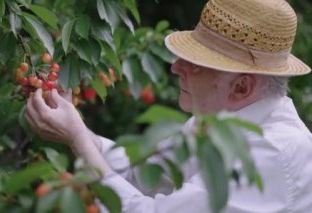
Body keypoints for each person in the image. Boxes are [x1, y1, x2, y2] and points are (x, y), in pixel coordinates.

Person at [25, 0, 312, 212]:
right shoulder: (218, 123)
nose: (175, 67)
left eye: (196, 64)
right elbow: (141, 174)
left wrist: (76, 137)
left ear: (241, 87)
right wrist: (75, 125)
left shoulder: (274, 152)